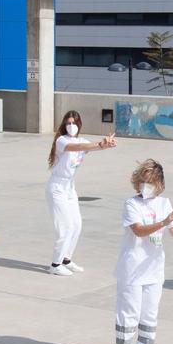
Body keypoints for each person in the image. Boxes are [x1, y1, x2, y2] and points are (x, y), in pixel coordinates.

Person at [112, 158, 173, 344]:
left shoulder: (164, 204)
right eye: (143, 181)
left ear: (160, 184)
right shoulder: (131, 204)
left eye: (151, 181)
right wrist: (164, 222)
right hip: (132, 268)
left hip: (154, 268)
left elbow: (172, 232)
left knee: (149, 314)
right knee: (130, 312)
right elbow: (138, 231)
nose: (146, 186)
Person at [47, 110, 118, 275]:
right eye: (68, 123)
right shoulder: (61, 141)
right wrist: (100, 144)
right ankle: (55, 265)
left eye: (74, 123)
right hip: (56, 187)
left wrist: (107, 144)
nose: (71, 126)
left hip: (70, 188)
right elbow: (78, 147)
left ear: (79, 125)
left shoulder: (81, 140)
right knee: (65, 227)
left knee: (77, 225)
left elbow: (89, 147)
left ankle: (66, 259)